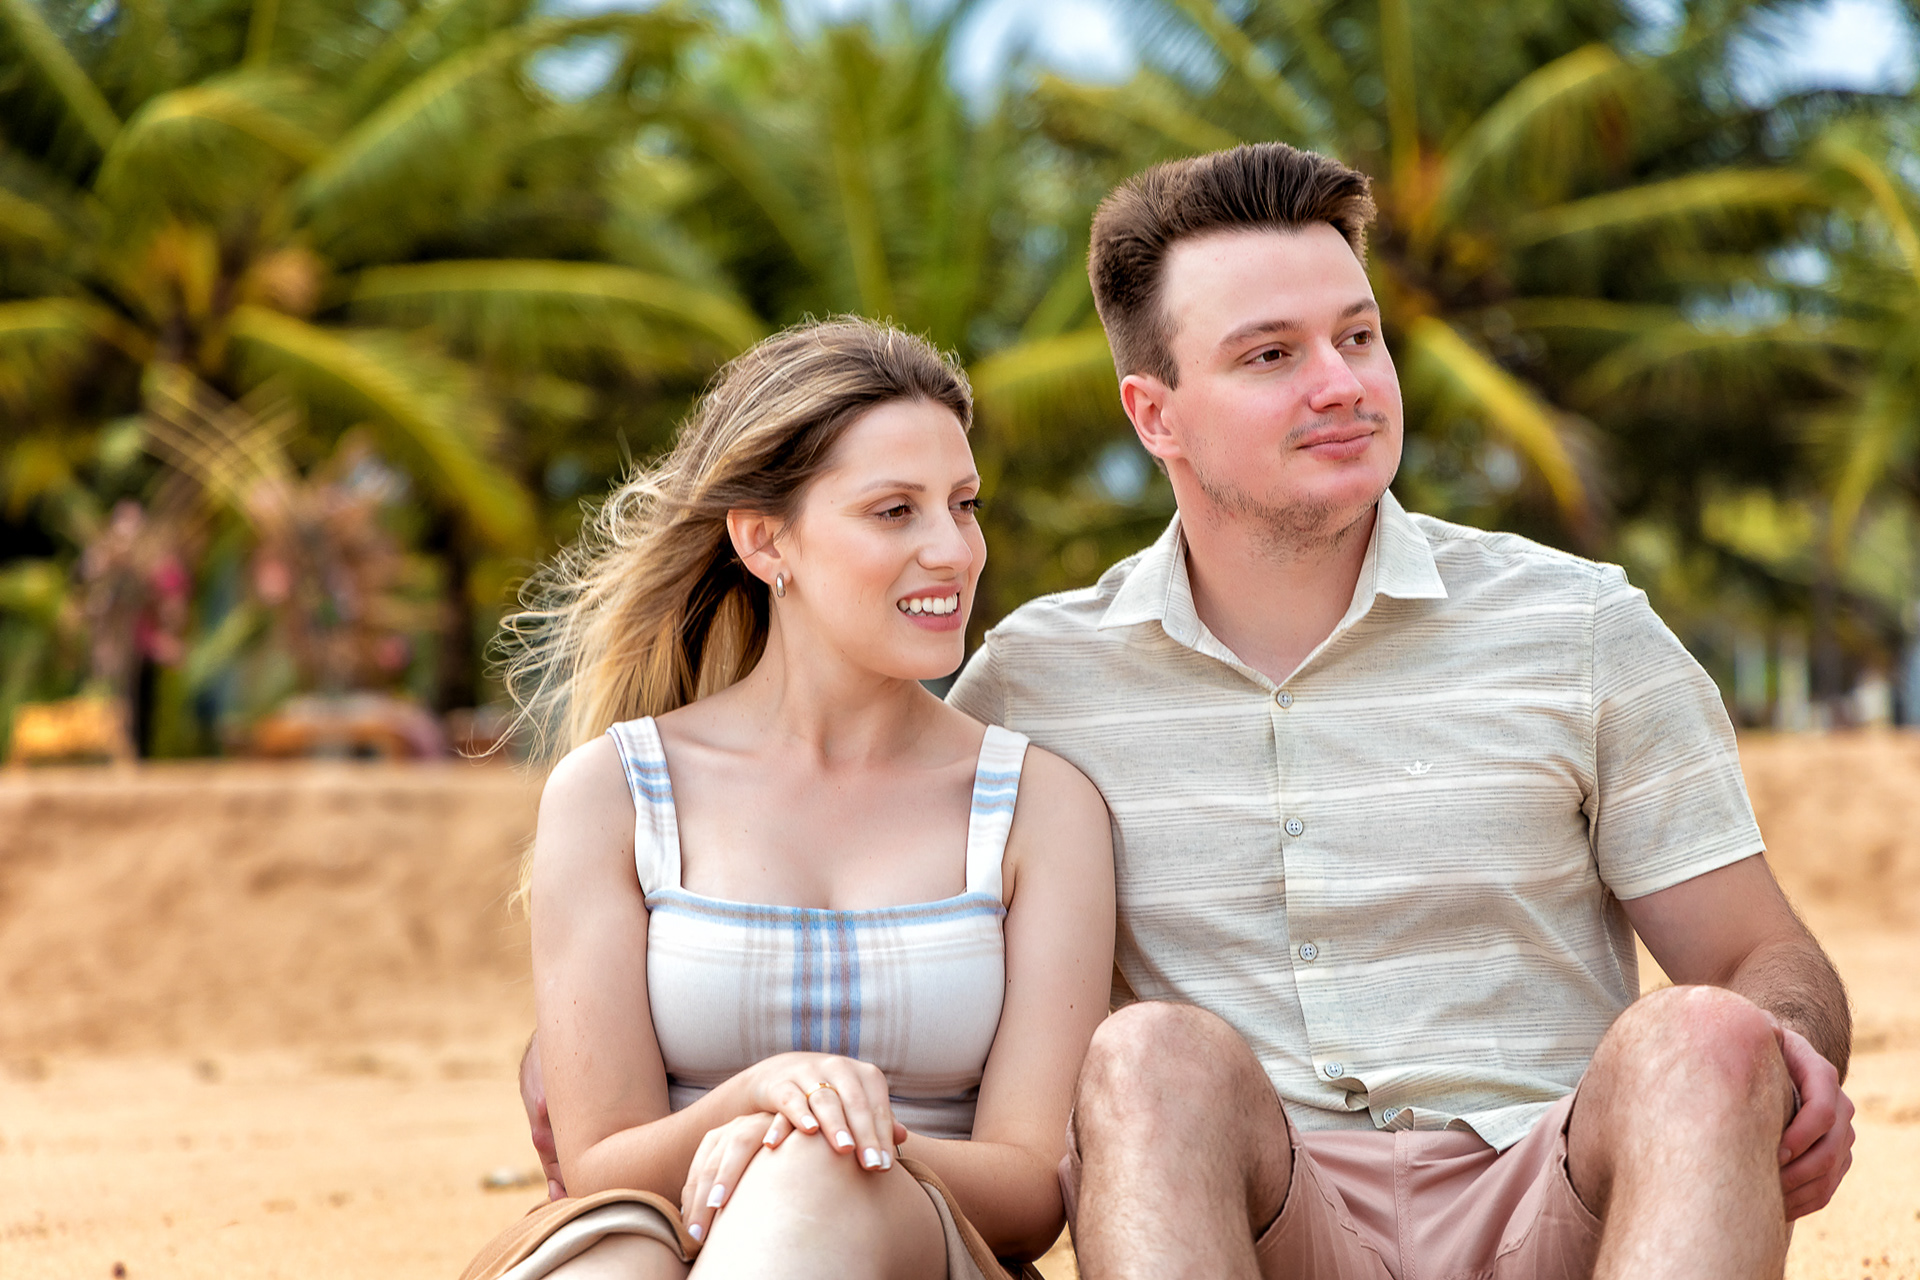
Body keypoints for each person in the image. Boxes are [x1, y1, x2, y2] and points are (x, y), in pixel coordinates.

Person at [524, 144, 1855, 1279]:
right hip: (1254, 1217)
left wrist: (1775, 1065)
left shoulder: (1579, 628)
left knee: (1708, 1031)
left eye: (1358, 336)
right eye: (1272, 354)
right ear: (1152, 414)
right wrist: (611, 1065)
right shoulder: (1031, 689)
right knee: (1147, 1055)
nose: (1342, 383)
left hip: (1557, 1195)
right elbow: (875, 895)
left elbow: (1763, 956)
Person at [467, 318, 1114, 1280]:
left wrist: (817, 1139)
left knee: (810, 1181)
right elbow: (597, 1166)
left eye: (963, 504)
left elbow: (1030, 1193)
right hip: (657, 1233)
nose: (953, 549)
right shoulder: (612, 793)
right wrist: (759, 1095)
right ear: (766, 540)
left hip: (922, 1242)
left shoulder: (1038, 807)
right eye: (894, 511)